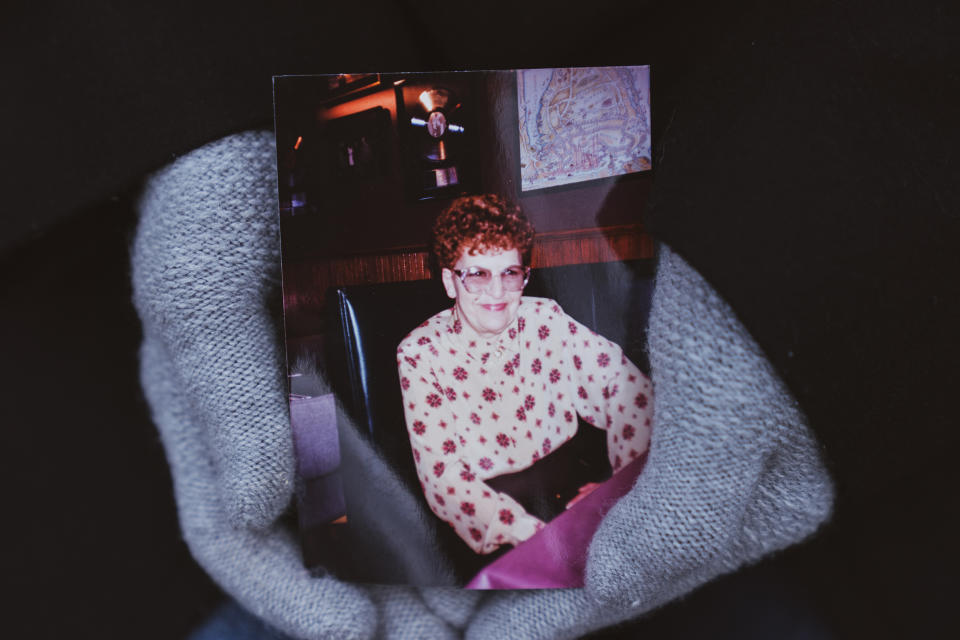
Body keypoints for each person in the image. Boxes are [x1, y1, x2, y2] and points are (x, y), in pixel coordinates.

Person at [396, 194, 654, 555]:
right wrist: (531, 533)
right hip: (488, 519)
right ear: (450, 282)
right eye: (478, 275)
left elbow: (626, 388)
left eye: (510, 273)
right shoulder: (420, 353)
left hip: (571, 491)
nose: (497, 292)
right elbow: (444, 478)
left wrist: (619, 490)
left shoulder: (546, 318)